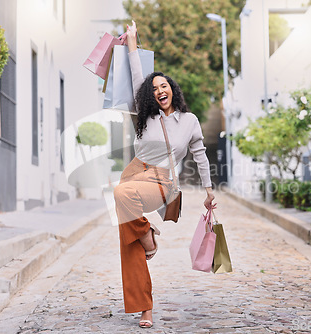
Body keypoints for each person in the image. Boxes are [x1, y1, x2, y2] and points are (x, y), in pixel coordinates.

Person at [113, 20, 215, 329]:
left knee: (121, 195)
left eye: (164, 86)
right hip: (136, 170)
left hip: (162, 180)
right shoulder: (145, 115)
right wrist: (131, 41)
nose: (159, 91)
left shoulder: (189, 121)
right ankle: (144, 307)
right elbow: (134, 73)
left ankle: (149, 238)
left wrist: (209, 191)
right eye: (154, 88)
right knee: (128, 241)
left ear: (172, 90)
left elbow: (200, 155)